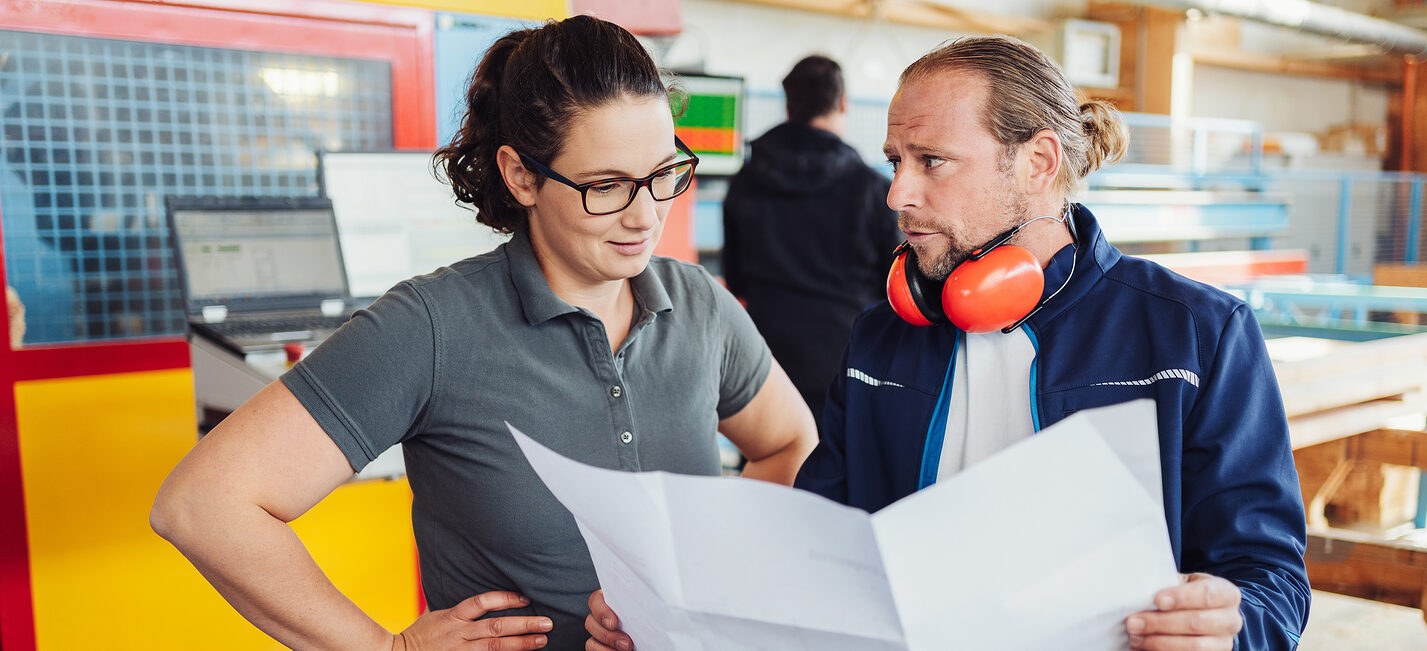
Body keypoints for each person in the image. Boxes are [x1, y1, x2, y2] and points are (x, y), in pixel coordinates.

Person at [589, 36, 1308, 651]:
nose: (897, 192)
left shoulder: (1197, 333)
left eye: (931, 161)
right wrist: (669, 606)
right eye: (895, 159)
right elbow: (812, 559)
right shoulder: (878, 339)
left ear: (1037, 164)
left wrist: (1231, 624)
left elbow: (1270, 578)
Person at [151, 16, 816, 651]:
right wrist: (381, 644)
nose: (646, 215)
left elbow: (789, 442)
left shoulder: (697, 304)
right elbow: (205, 504)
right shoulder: (433, 326)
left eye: (663, 173)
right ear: (520, 174)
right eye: (607, 185)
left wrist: (701, 585)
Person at [720, 55, 899, 424]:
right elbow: (895, 288)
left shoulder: (747, 180)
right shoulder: (875, 191)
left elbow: (734, 278)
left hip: (764, 365)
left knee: (768, 471)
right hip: (849, 365)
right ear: (843, 103)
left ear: (789, 106)